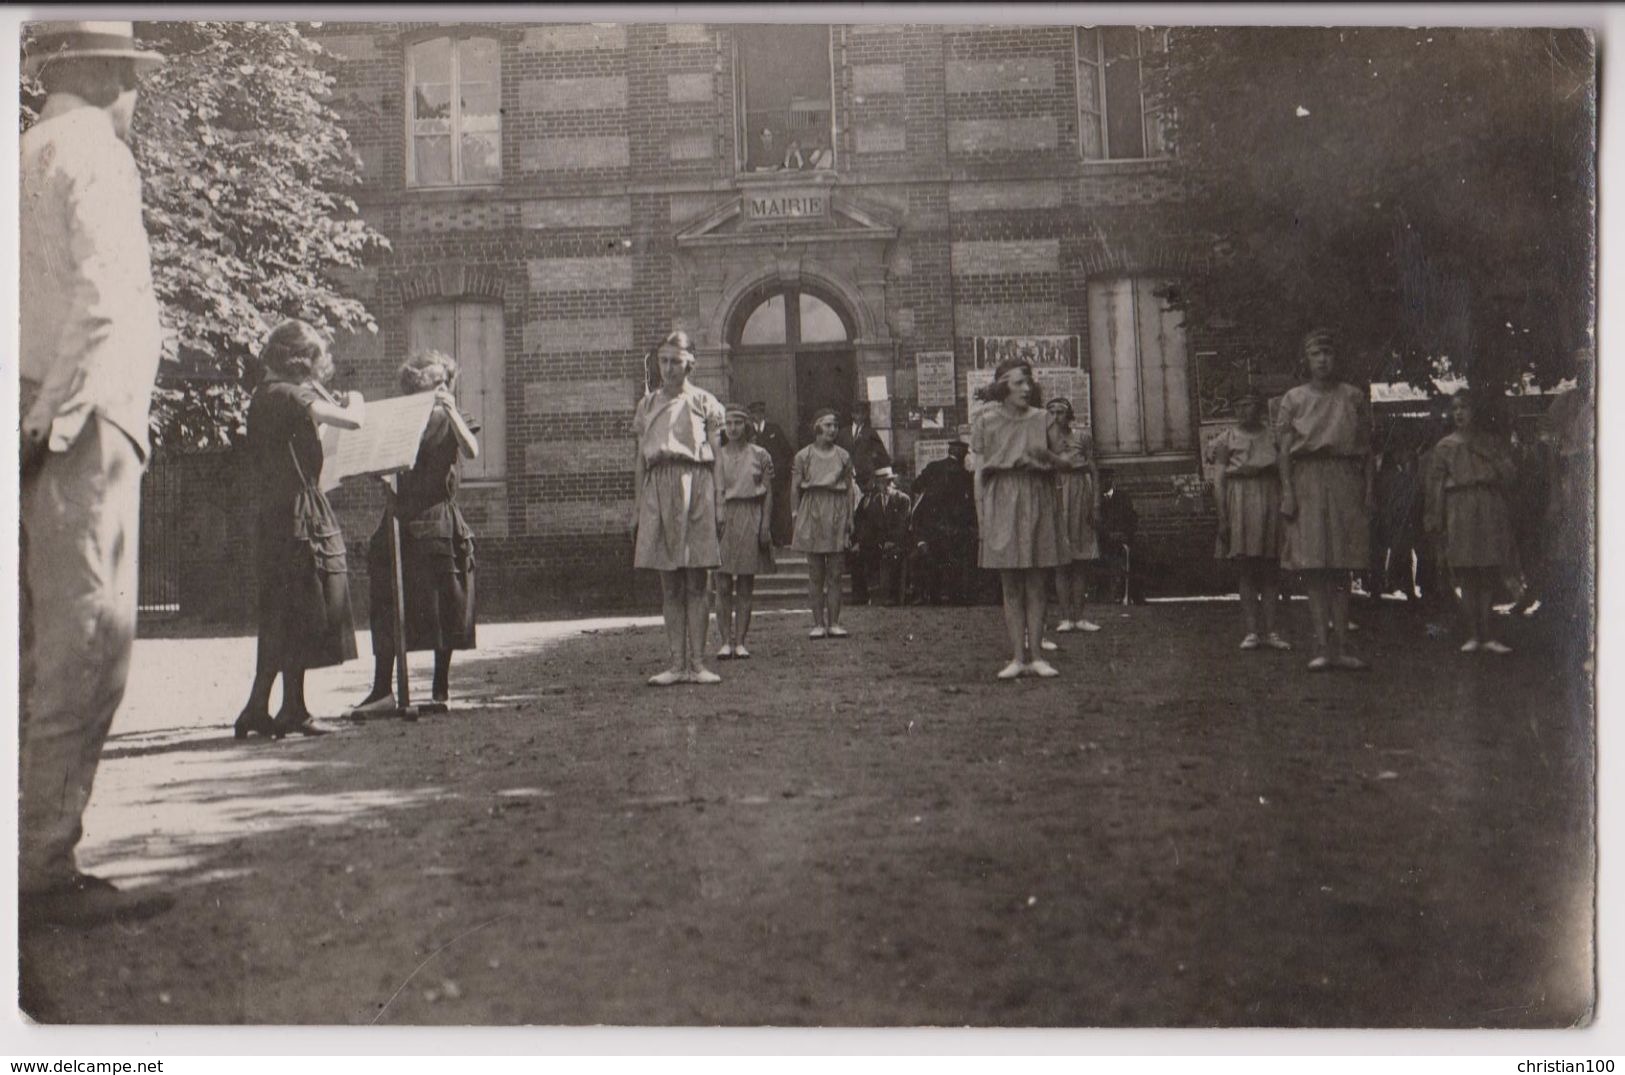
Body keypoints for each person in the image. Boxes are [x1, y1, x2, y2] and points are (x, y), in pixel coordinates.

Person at [19, 21, 172, 928]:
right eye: (134, 77)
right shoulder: (98, 157)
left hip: (33, 409)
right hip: (83, 420)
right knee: (89, 643)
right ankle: (42, 862)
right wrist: (52, 418)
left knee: (30, 643)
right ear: (111, 73)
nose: (136, 96)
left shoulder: (20, 152)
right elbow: (105, 299)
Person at [237, 321, 366, 738]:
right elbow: (350, 422)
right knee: (302, 610)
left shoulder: (265, 397)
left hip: (277, 514)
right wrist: (357, 402)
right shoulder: (292, 394)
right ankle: (283, 709)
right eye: (314, 361)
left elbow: (306, 440)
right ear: (300, 360)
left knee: (282, 614)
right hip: (298, 514)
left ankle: (268, 708)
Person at [354, 351, 481, 713]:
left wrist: (451, 409)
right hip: (398, 520)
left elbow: (470, 451)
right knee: (387, 604)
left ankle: (440, 690)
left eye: (445, 381)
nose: (441, 387)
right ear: (415, 386)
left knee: (445, 604)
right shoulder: (400, 421)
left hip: (438, 519)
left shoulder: (454, 419)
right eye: (432, 382)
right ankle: (382, 691)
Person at [1277, 328, 1375, 671]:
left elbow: (1365, 450)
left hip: (1345, 478)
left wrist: (1368, 490)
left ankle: (1343, 646)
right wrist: (1288, 492)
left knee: (1342, 565)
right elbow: (1285, 454)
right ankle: (1321, 645)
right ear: (1306, 359)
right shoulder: (1293, 399)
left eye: (1328, 354)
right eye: (1316, 354)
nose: (1323, 360)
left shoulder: (1353, 397)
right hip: (1307, 479)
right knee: (1315, 566)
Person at [632, 330, 726, 686]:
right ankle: (675, 663)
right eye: (664, 361)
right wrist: (639, 506)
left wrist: (719, 501)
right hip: (659, 488)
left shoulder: (706, 402)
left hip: (696, 484)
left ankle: (698, 664)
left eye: (676, 361)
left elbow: (717, 458)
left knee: (697, 580)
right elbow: (640, 461)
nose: (669, 368)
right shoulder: (648, 404)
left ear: (691, 364)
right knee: (669, 582)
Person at [972, 357, 1067, 679]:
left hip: (1036, 497)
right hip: (1001, 499)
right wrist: (982, 516)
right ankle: (1016, 657)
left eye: (1029, 383)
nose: (1026, 389)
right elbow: (980, 471)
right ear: (1003, 388)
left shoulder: (1043, 419)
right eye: (1018, 383)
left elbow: (1065, 461)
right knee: (1010, 584)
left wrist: (1045, 461)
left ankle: (1038, 656)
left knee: (1037, 582)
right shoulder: (985, 421)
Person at [1425, 391, 1519, 654]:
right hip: (1459, 508)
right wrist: (1436, 519)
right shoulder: (1444, 447)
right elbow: (1435, 488)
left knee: (1487, 569)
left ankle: (1488, 634)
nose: (1459, 413)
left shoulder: (1490, 443)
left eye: (1465, 407)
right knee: (1466, 572)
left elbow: (1510, 476)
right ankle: (1473, 634)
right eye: (1455, 408)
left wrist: (1495, 461)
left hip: (1488, 506)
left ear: (1475, 411)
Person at [1213, 389, 1290, 651]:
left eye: (1250, 404)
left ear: (1259, 407)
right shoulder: (1226, 439)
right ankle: (1252, 631)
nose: (1245, 410)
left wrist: (1287, 502)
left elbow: (1285, 472)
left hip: (1269, 496)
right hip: (1240, 499)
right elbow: (1219, 480)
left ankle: (1271, 631)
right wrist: (1222, 516)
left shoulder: (1273, 436)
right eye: (1240, 405)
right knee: (1245, 567)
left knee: (1271, 567)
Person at [714, 404, 776, 660]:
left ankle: (740, 641)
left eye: (738, 423)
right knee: (723, 583)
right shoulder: (715, 455)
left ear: (746, 425)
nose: (733, 428)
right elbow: (711, 491)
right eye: (728, 423)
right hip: (723, 517)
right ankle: (725, 641)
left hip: (751, 515)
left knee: (746, 585)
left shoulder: (760, 454)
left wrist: (764, 525)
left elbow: (769, 493)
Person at [792, 409, 859, 638]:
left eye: (835, 425)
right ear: (817, 427)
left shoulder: (843, 455)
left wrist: (850, 517)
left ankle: (835, 622)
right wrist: (795, 515)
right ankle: (818, 623)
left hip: (837, 509)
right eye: (828, 425)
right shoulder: (804, 455)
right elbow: (795, 487)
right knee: (815, 572)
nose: (833, 429)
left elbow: (849, 489)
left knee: (836, 572)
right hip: (812, 509)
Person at [1047, 397, 1102, 634]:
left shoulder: (1083, 437)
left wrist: (1096, 503)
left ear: (1069, 415)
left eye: (1061, 412)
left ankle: (1080, 616)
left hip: (1080, 491)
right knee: (1061, 560)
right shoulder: (1045, 441)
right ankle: (1065, 617)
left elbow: (1093, 469)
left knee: (1080, 559)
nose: (1057, 416)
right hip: (1056, 492)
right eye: (1052, 412)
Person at [910, 432, 978, 605]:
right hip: (955, 524)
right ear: (962, 454)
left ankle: (934, 596)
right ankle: (955, 596)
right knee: (953, 560)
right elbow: (970, 502)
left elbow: (916, 485)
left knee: (935, 557)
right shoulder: (965, 475)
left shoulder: (933, 467)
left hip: (931, 521)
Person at [837, 407, 892, 602]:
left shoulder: (870, 433)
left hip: (864, 482)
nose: (858, 416)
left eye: (862, 414)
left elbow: (883, 457)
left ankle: (869, 590)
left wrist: (876, 475)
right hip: (846, 482)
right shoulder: (842, 433)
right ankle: (856, 586)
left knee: (863, 524)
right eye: (855, 413)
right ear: (852, 414)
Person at [854, 467, 912, 606]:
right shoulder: (874, 502)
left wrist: (891, 541)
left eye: (887, 482)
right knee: (859, 555)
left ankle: (892, 595)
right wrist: (861, 543)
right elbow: (870, 527)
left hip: (899, 542)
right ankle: (864, 595)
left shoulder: (902, 499)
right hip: (880, 543)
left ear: (892, 483)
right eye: (881, 483)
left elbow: (902, 525)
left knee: (893, 555)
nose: (884, 486)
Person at [749, 400, 795, 546]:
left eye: (761, 412)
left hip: (775, 476)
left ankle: (778, 539)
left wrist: (781, 469)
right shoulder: (748, 430)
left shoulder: (774, 429)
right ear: (751, 414)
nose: (759, 415)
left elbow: (787, 451)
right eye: (756, 412)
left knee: (775, 507)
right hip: (753, 477)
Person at [1097, 470, 1142, 605]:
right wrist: (1106, 534)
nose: (1105, 482)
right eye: (1102, 479)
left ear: (1112, 480)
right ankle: (1105, 593)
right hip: (1102, 540)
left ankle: (1131, 594)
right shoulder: (1094, 500)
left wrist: (1124, 534)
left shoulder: (1123, 497)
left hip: (1122, 538)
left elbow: (1132, 519)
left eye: (1108, 478)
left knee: (1134, 555)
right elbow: (1092, 521)